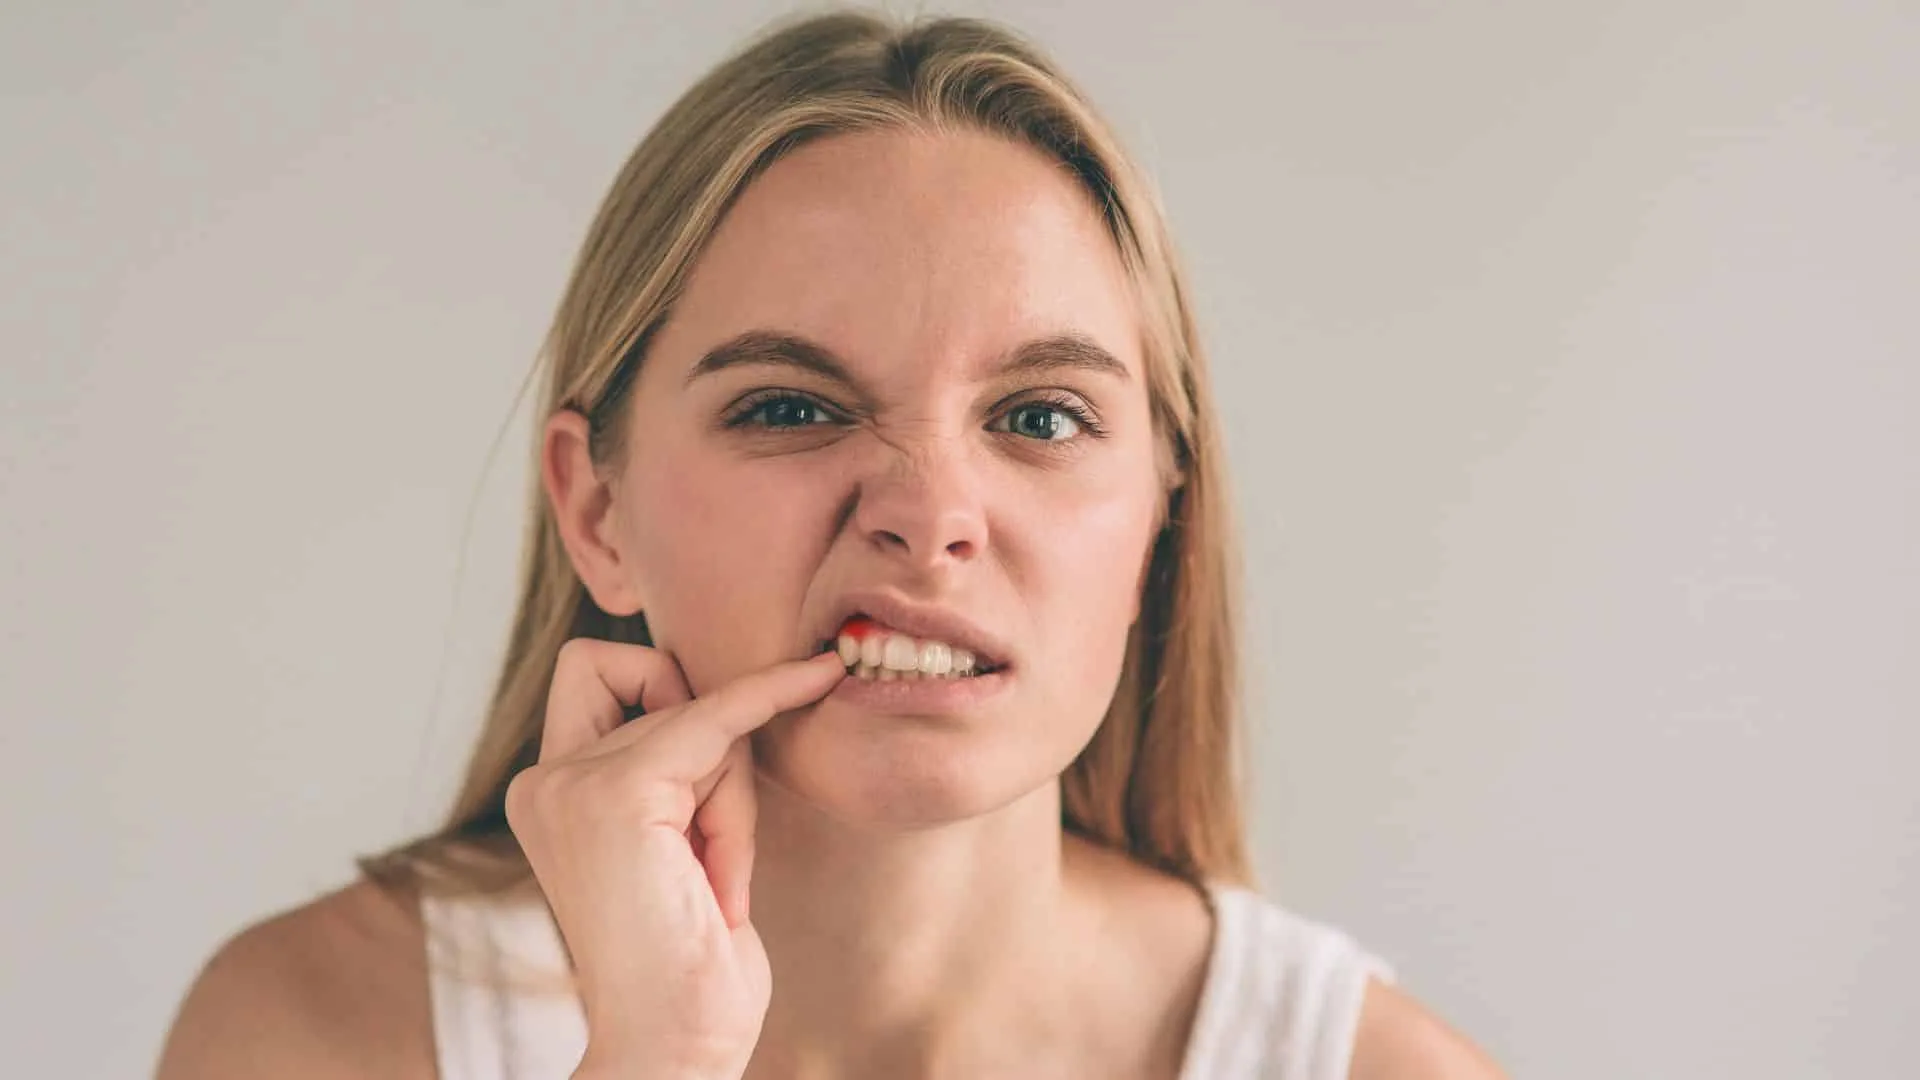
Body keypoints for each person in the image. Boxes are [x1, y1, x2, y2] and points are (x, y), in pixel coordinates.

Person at [157, 11, 1504, 1079]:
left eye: (1040, 414)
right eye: (791, 407)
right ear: (596, 511)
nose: (927, 511)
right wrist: (657, 1061)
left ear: (1163, 515)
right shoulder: (322, 1036)